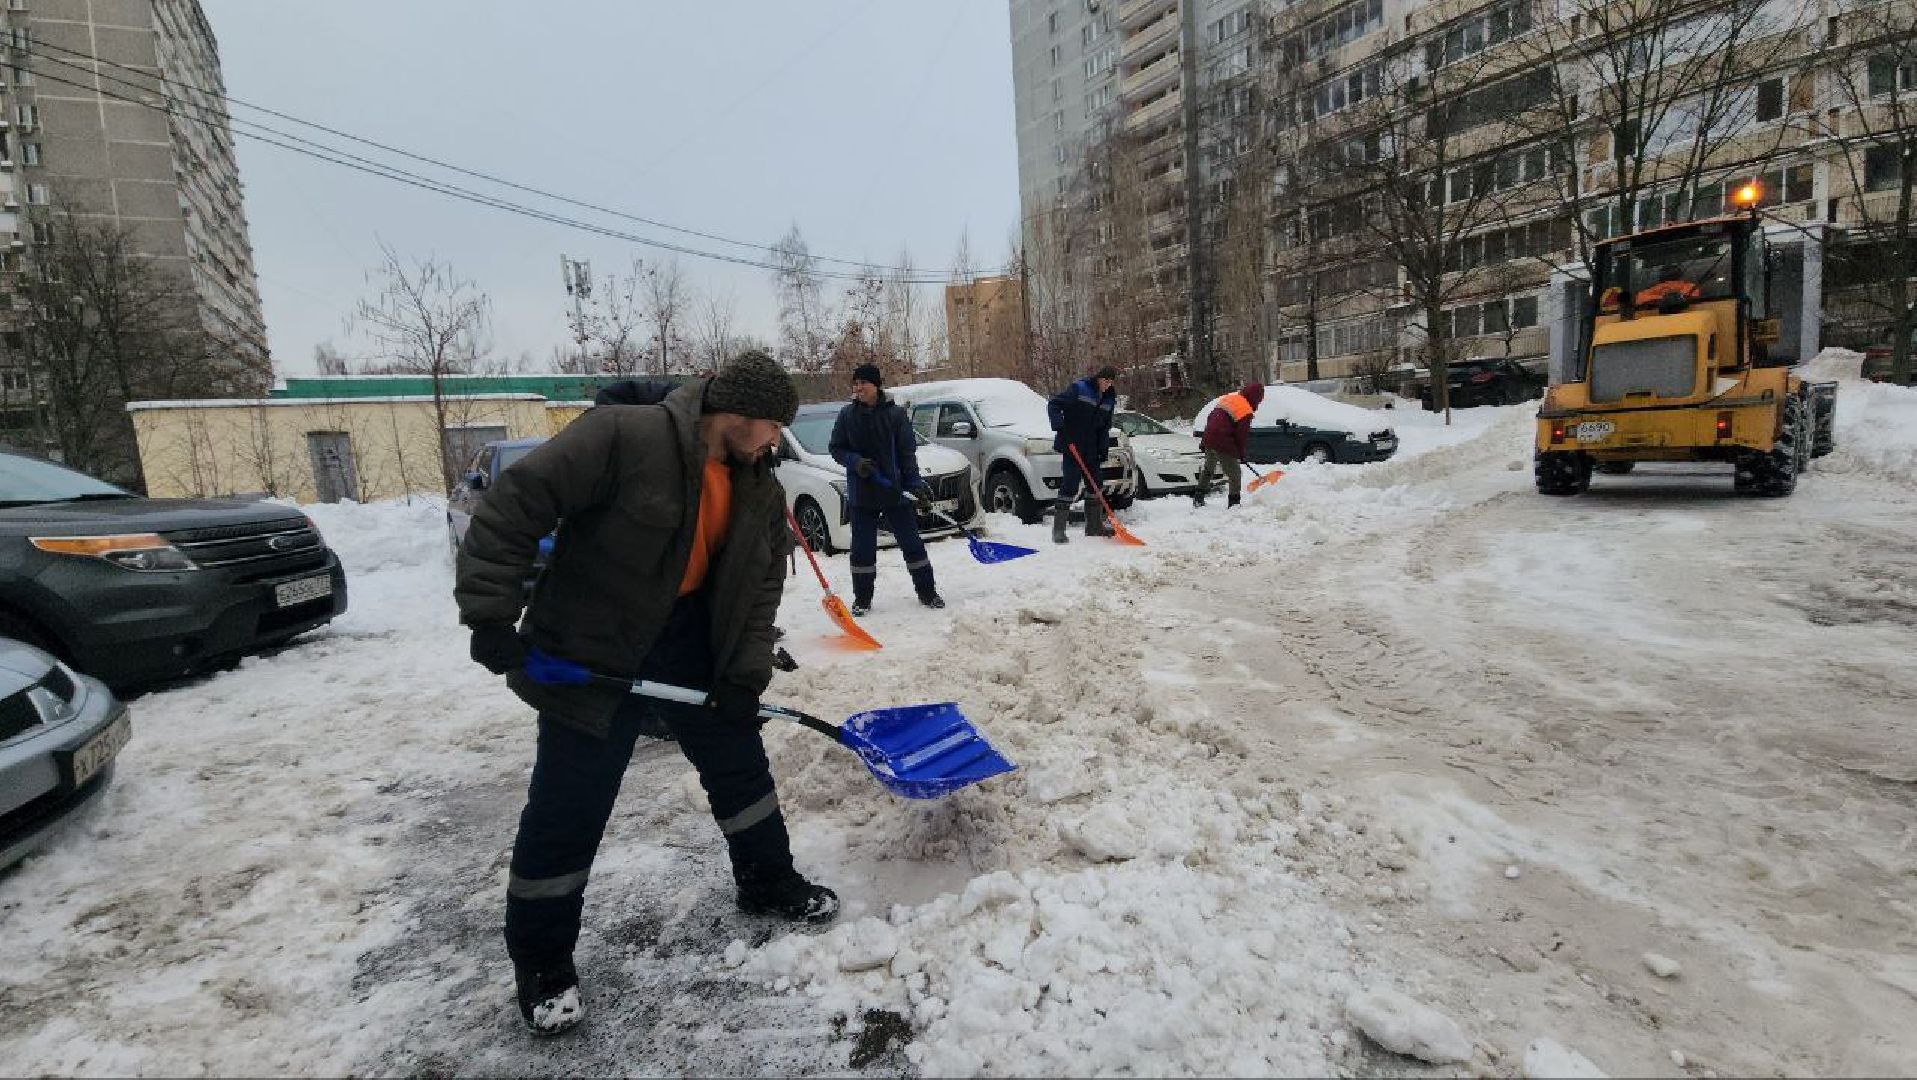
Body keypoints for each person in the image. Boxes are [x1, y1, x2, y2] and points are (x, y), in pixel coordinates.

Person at [455, 349, 837, 1038]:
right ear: (739, 415)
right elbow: (515, 504)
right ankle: (542, 963)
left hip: (693, 641)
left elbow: (759, 590)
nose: (776, 441)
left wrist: (742, 676)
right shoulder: (625, 437)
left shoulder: (757, 485)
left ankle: (767, 881)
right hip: (595, 645)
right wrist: (489, 615)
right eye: (772, 427)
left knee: (740, 769)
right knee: (570, 804)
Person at [828, 363, 943, 615]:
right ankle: (862, 599)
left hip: (894, 492)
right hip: (862, 493)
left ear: (876, 385)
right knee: (862, 550)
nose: (858, 388)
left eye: (863, 383)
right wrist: (855, 462)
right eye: (855, 383)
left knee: (912, 545)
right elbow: (836, 448)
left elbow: (907, 454)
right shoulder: (847, 415)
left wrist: (915, 486)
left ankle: (928, 593)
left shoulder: (896, 415)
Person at [1046, 365, 1120, 544]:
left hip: (1091, 449)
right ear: (1099, 378)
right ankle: (1058, 530)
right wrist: (1059, 426)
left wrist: (1103, 449)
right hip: (1072, 444)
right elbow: (1054, 404)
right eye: (1106, 381)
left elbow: (1105, 427)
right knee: (1070, 485)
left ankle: (1094, 527)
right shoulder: (1079, 389)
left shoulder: (1109, 398)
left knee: (1096, 485)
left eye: (1111, 382)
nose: (1108, 385)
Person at [1194, 382, 1265, 508]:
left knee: (1208, 469)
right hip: (1222, 441)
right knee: (1235, 474)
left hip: (1209, 437)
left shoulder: (1229, 398)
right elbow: (1240, 436)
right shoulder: (1245, 410)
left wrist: (1205, 440)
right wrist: (1240, 454)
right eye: (1259, 401)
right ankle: (1234, 504)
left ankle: (1198, 498)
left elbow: (1211, 417)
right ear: (1255, 398)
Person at [1635, 264, 1700, 308]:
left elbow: (1639, 298)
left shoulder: (1656, 288)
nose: (1669, 273)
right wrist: (1666, 298)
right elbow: (1639, 298)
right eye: (1667, 272)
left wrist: (1661, 298)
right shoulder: (1690, 286)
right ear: (1680, 275)